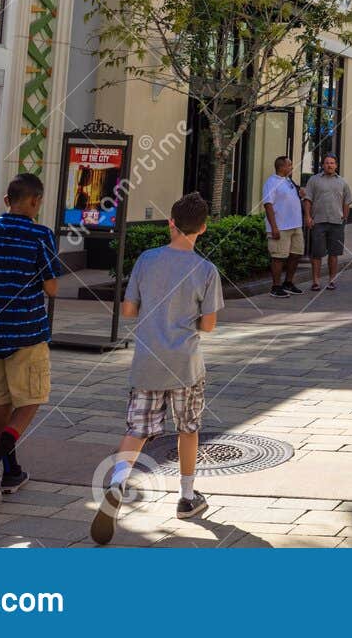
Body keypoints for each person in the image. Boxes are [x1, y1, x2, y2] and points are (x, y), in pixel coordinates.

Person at [91, 192, 224, 544]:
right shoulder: (206, 270)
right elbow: (208, 325)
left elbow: (129, 310)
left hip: (147, 358)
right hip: (186, 363)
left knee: (137, 429)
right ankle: (186, 496)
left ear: (171, 223)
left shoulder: (147, 260)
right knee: (188, 428)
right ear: (204, 229)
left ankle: (118, 481)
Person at [0, 173, 64, 502]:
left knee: (1, 400)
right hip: (27, 330)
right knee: (32, 398)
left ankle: (10, 469)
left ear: (7, 201)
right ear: (36, 202)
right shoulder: (40, 235)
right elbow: (52, 288)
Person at [304, 154, 352, 291]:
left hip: (337, 222)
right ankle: (316, 281)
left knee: (334, 253)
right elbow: (308, 199)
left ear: (336, 165)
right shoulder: (314, 180)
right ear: (322, 165)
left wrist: (345, 217)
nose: (329, 165)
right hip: (318, 222)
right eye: (327, 163)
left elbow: (347, 201)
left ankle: (332, 280)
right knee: (317, 253)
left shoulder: (343, 182)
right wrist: (307, 217)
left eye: (332, 163)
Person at [261, 155, 305, 298]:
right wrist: (274, 227)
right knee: (278, 257)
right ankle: (276, 286)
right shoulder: (271, 182)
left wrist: (301, 194)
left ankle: (288, 283)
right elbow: (268, 205)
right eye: (290, 165)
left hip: (296, 225)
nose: (292, 167)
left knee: (296, 254)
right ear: (282, 167)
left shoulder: (288, 181)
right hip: (281, 226)